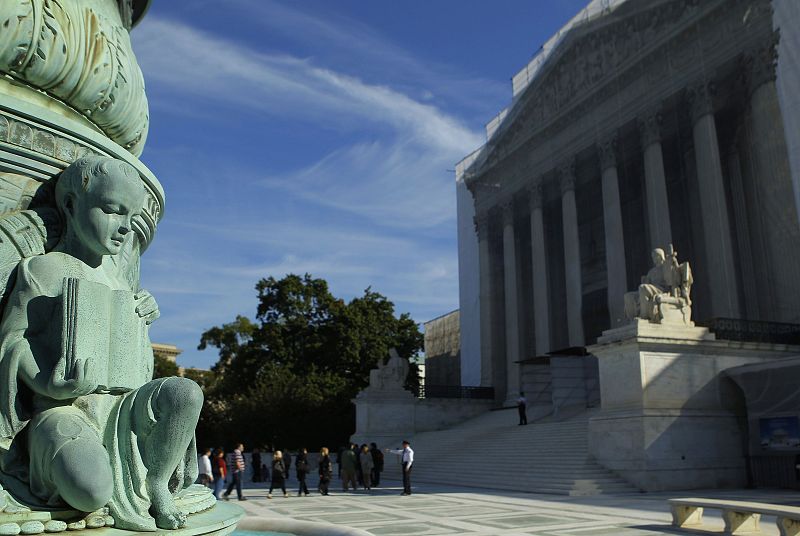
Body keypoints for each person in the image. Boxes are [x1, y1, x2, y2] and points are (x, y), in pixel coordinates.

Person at [0, 157, 204, 530]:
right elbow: (14, 343)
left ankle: (158, 482)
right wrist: (47, 384)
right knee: (90, 491)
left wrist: (142, 319)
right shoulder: (45, 269)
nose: (125, 228)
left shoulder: (123, 283)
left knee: (186, 393)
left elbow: (139, 366)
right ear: (72, 205)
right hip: (65, 409)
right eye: (112, 210)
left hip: (125, 405)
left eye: (131, 216)